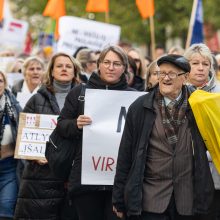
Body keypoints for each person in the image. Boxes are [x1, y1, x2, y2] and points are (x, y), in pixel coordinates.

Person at [113, 54, 214, 220]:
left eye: (172, 74)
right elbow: (125, 155)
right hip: (151, 200)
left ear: (186, 77)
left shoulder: (199, 106)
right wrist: (118, 198)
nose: (165, 78)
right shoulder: (140, 107)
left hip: (188, 202)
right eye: (162, 73)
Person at [56, 45, 134, 220]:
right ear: (99, 64)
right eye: (106, 62)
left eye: (116, 63)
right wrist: (75, 124)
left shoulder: (134, 98)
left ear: (124, 68)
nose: (111, 67)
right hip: (86, 181)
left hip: (118, 183)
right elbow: (61, 125)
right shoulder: (79, 92)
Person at [14, 52, 81, 220]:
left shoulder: (85, 99)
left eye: (68, 66)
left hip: (72, 176)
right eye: (59, 66)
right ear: (51, 71)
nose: (64, 69)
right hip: (40, 177)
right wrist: (33, 156)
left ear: (75, 71)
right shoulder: (36, 100)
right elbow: (23, 136)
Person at [184, 43, 220, 220]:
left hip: (215, 177)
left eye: (205, 64)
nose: (200, 68)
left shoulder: (219, 94)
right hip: (184, 177)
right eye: (195, 63)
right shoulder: (176, 92)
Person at [0, 71, 21, 219]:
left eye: (0, 81)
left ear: (5, 83)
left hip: (9, 167)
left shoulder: (14, 107)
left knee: (6, 207)